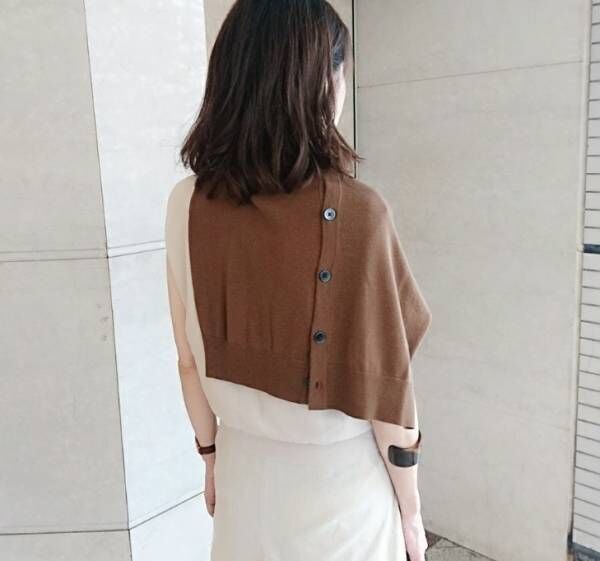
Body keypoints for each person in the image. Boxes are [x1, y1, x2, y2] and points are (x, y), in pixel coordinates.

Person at [165, 1, 431, 560]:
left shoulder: (186, 203)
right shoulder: (362, 214)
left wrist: (211, 459)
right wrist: (411, 512)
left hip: (245, 487)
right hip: (343, 505)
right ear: (323, 82)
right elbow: (388, 400)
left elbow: (188, 360)